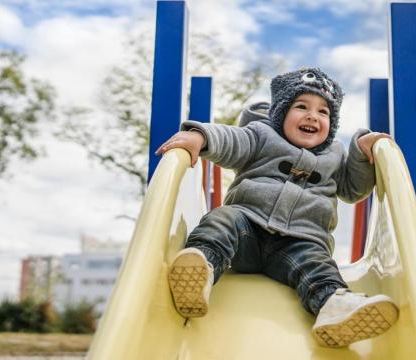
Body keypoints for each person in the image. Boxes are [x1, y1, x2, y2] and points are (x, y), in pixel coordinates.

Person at [155, 67, 398, 348]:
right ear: (281, 113)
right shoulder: (261, 136)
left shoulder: (335, 156)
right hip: (246, 229)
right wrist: (200, 137)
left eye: (323, 112)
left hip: (299, 244)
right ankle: (203, 268)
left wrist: (361, 148)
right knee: (222, 219)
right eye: (301, 106)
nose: (312, 116)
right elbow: (230, 140)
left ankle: (334, 306)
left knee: (318, 266)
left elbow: (354, 189)